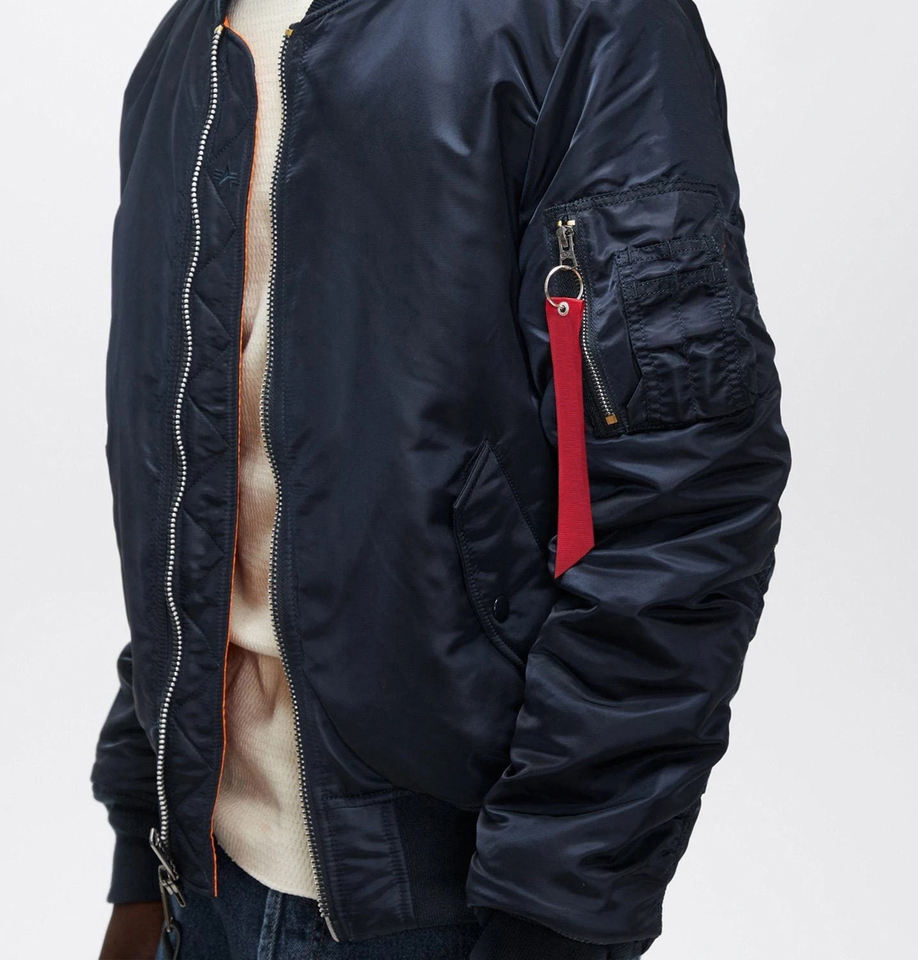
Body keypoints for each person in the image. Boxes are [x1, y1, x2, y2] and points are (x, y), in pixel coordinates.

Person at [93, 0, 791, 957]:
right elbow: (191, 501)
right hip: (198, 887)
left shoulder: (582, 20)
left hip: (454, 904)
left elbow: (685, 497)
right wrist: (140, 843)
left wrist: (558, 909)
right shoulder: (180, 55)